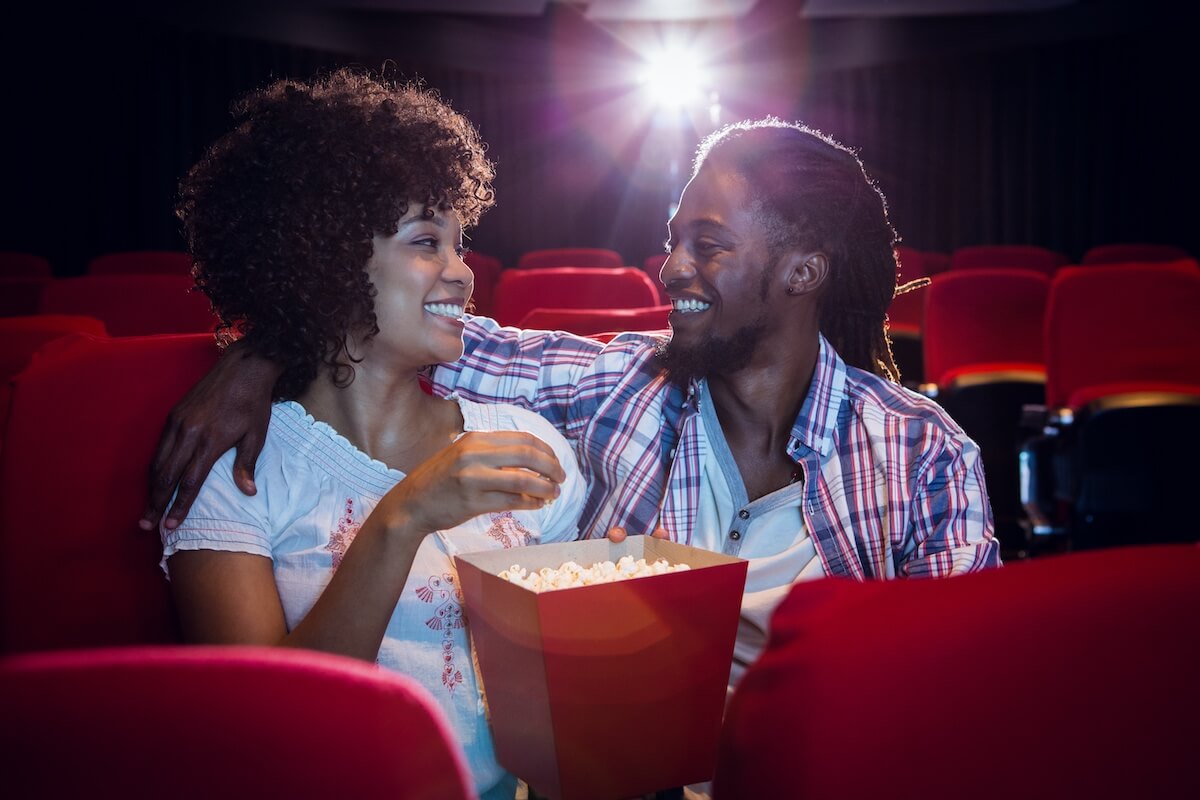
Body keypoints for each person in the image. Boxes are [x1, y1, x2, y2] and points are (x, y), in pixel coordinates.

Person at [144, 116, 1000, 695]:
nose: (668, 269)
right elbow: (390, 324)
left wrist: (800, 679)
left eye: (706, 244)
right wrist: (259, 351)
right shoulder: (613, 392)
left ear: (803, 272)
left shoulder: (922, 452)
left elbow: (959, 691)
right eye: (673, 240)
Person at [158, 68, 586, 800]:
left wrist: (611, 617)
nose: (462, 273)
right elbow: (269, 742)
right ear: (323, 259)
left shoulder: (524, 444)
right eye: (427, 243)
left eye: (461, 244)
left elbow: (567, 724)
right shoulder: (234, 465)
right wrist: (405, 516)